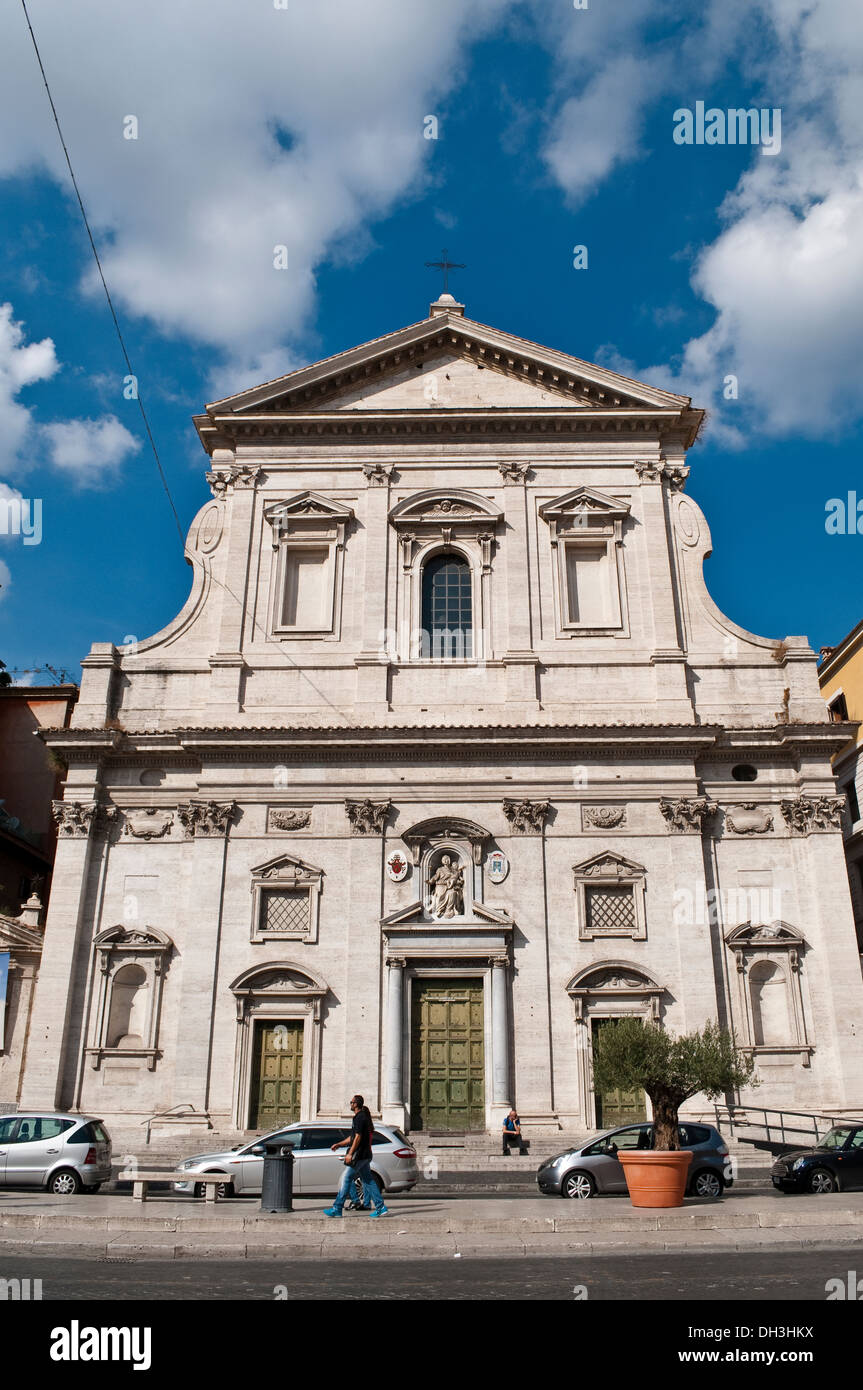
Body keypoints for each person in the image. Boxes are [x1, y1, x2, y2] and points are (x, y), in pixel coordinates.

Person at [323, 1095, 389, 1217]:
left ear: (356, 1104)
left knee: (347, 1178)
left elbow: (357, 1137)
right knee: (368, 1180)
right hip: (365, 1155)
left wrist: (350, 1153)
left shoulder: (359, 1118)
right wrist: (339, 1144)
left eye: (351, 1102)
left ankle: (337, 1207)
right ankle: (381, 1207)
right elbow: (353, 1137)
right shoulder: (361, 1118)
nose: (350, 1104)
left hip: (359, 1155)